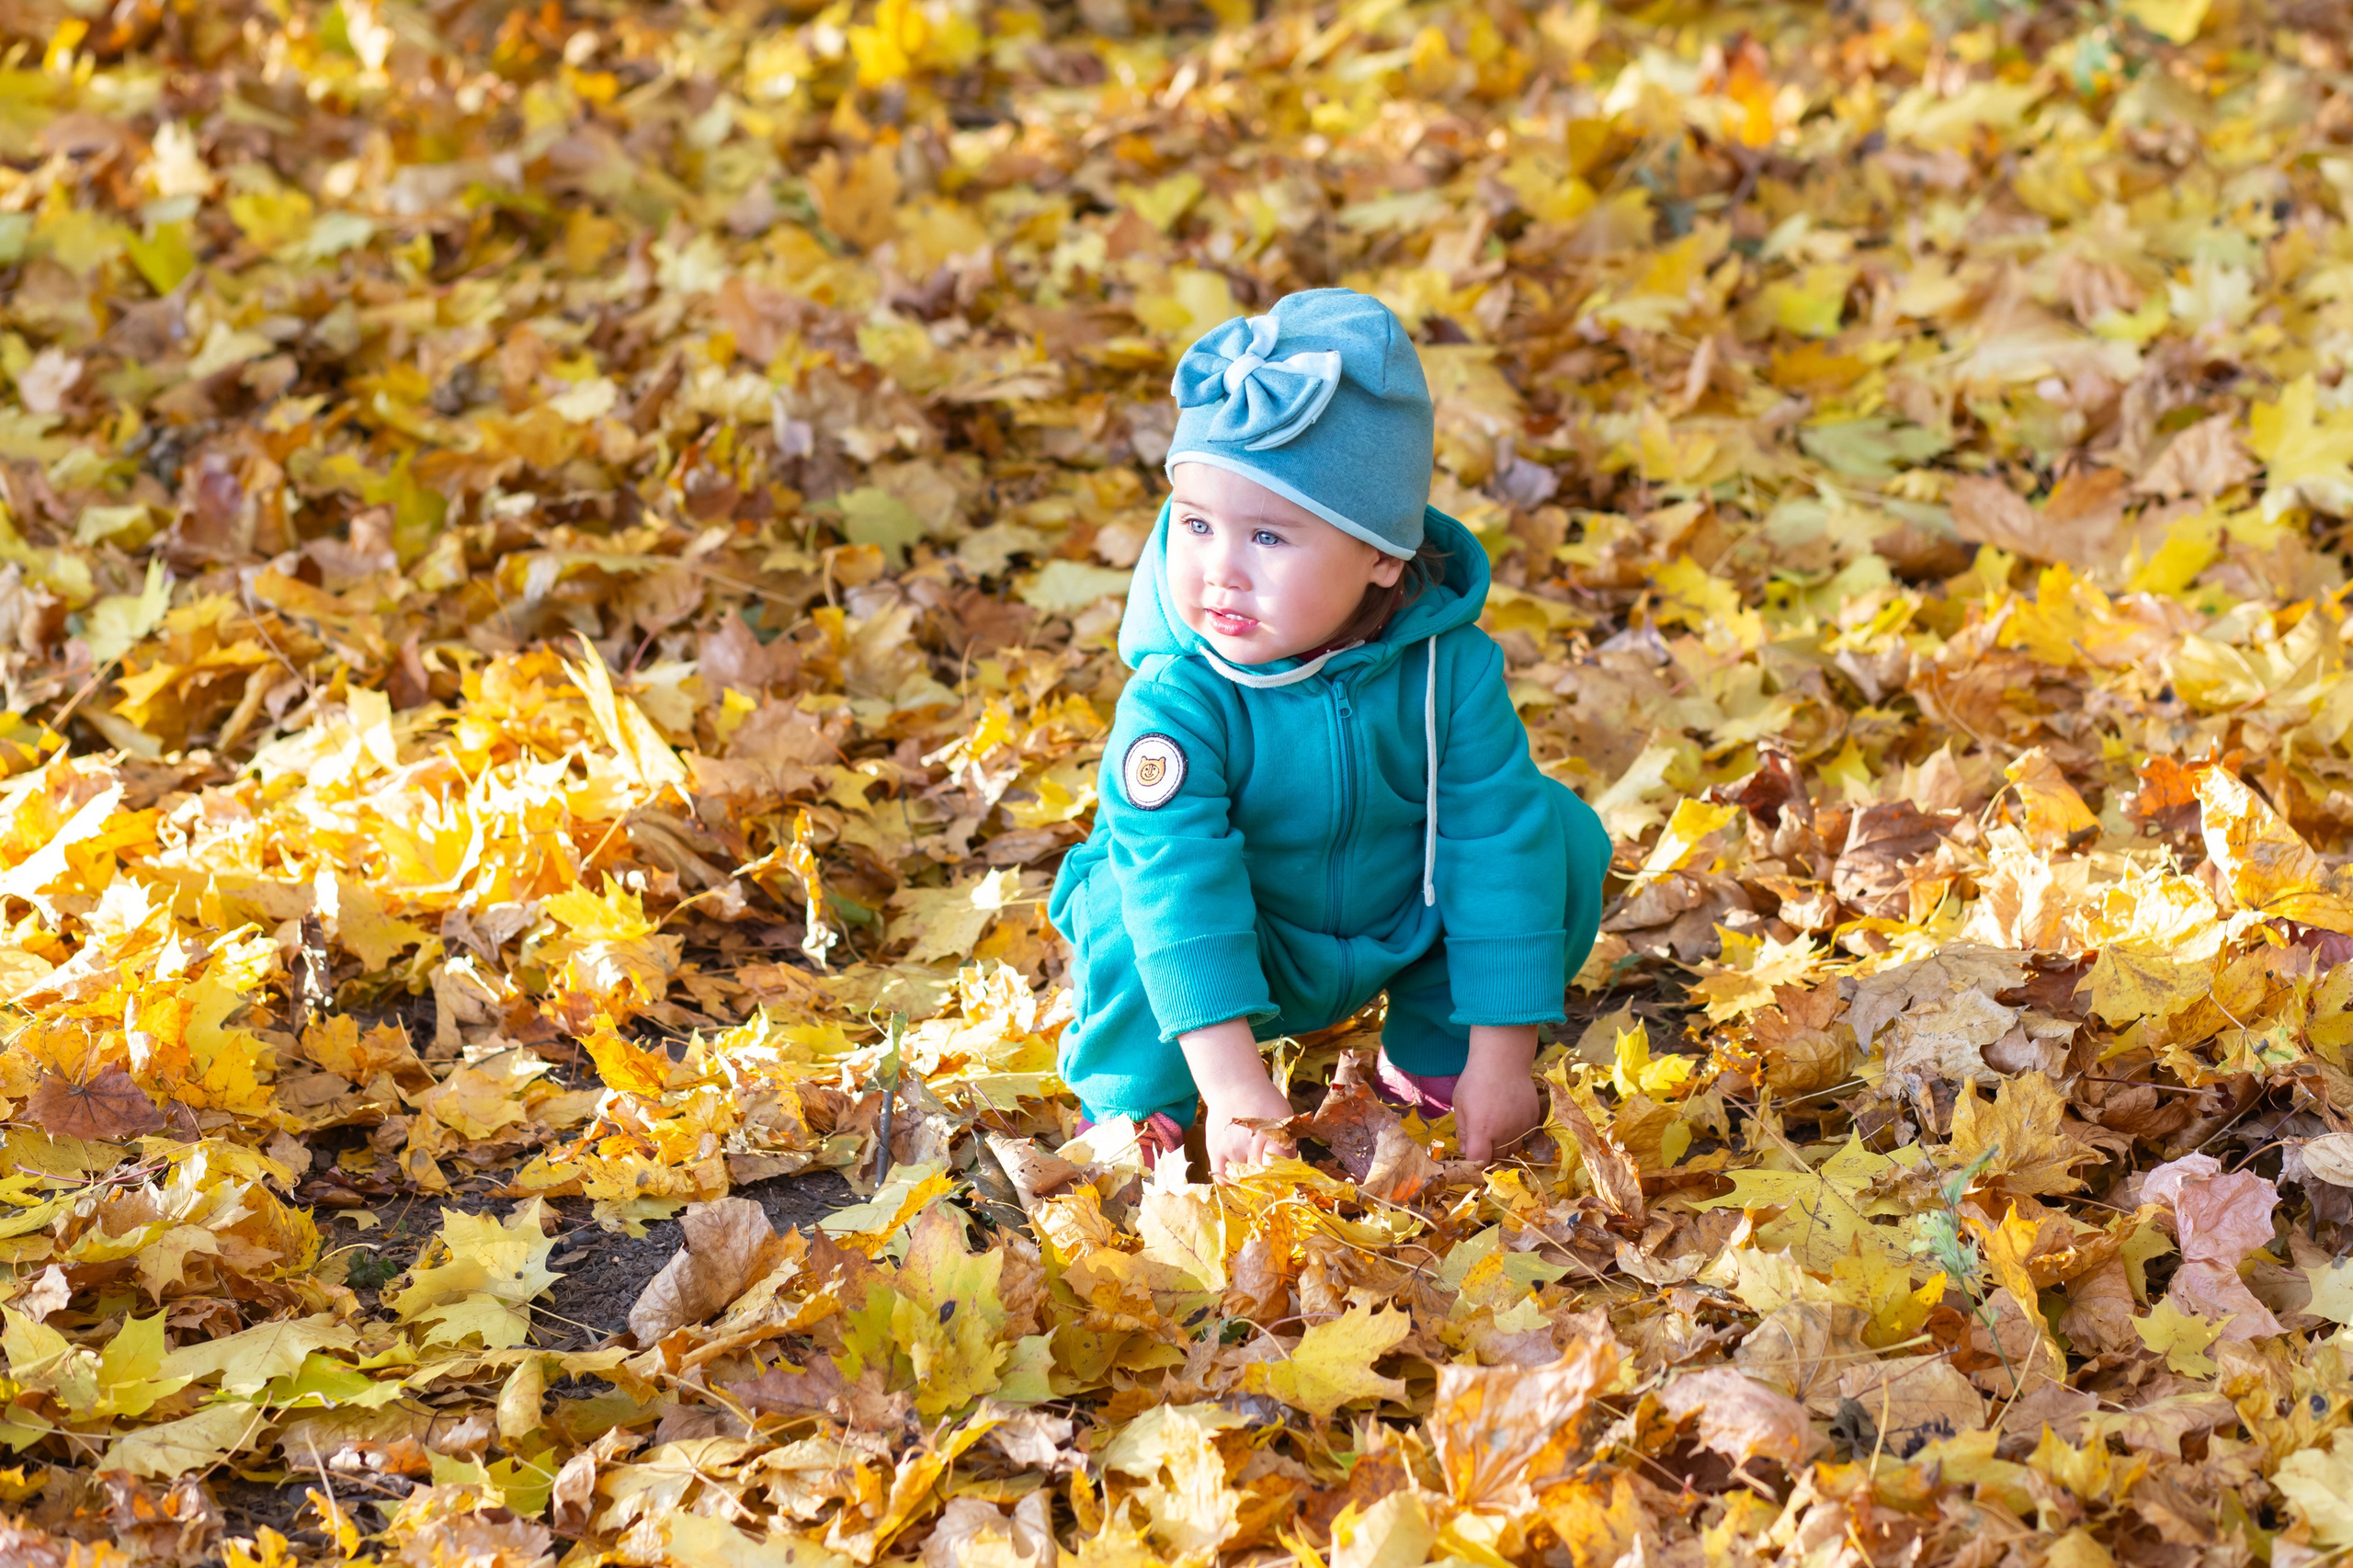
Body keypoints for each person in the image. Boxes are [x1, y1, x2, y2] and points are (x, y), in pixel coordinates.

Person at [1048, 288, 1612, 1176]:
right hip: (1240, 937)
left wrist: (1502, 1058)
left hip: (1392, 922)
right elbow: (1178, 882)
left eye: (1269, 537)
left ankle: (1436, 1059)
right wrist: (1234, 1088)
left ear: (1382, 554)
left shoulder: (1449, 675)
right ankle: (1137, 1106)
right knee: (1124, 897)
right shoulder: (1178, 697)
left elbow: (1495, 846)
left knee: (1556, 836)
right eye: (1195, 525)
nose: (1220, 572)